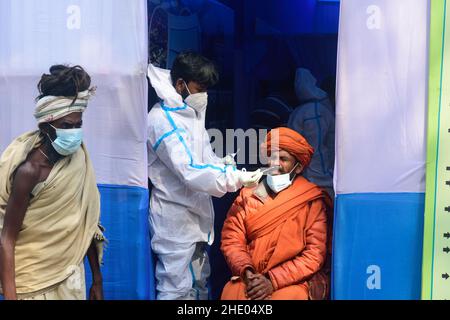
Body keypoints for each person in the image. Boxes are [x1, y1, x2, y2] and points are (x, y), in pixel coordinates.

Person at [147, 51, 263, 300]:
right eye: (200, 88)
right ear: (181, 84)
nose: (204, 95)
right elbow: (189, 170)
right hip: (175, 220)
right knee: (176, 291)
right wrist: (235, 179)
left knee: (198, 286)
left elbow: (206, 159)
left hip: (195, 218)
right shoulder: (162, 120)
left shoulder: (191, 114)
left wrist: (228, 167)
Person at [0, 65, 106, 300]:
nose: (74, 133)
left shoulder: (78, 157)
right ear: (46, 125)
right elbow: (7, 239)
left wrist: (97, 280)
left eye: (78, 125)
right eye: (67, 126)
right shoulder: (29, 171)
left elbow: (85, 223)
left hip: (71, 279)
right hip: (34, 285)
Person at [220, 127, 330, 300]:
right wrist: (248, 273)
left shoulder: (311, 201)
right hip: (250, 280)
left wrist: (272, 281)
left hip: (289, 282)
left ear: (299, 167)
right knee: (232, 292)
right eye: (271, 157)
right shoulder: (247, 195)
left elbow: (314, 254)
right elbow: (231, 239)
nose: (274, 164)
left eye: (283, 159)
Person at [288, 68, 335, 199]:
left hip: (301, 178)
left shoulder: (298, 111)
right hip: (316, 181)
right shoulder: (315, 111)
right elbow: (316, 150)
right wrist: (325, 178)